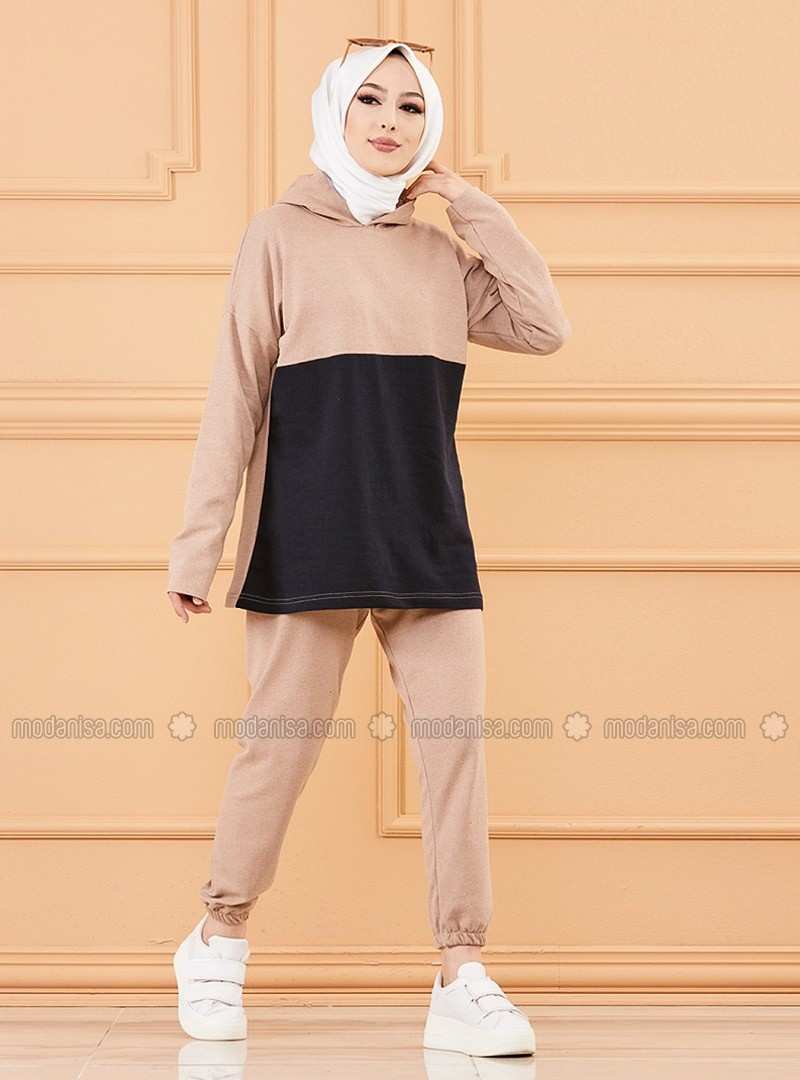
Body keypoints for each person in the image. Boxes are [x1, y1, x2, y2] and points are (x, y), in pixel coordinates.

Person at [168, 38, 571, 1056]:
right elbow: (234, 396)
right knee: (279, 747)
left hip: (425, 531)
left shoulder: (439, 254)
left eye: (409, 106)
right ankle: (218, 937)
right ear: (335, 111)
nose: (389, 121)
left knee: (455, 753)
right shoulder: (277, 235)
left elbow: (542, 325)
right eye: (370, 101)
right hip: (305, 533)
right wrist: (196, 549)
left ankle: (461, 971)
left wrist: (467, 203)